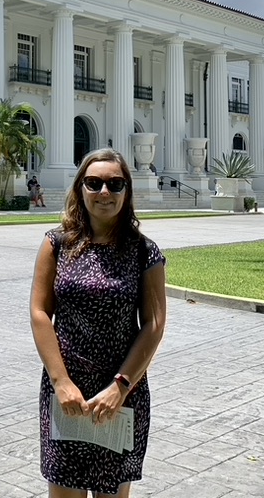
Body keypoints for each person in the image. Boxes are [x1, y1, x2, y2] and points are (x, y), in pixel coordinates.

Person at [29, 148, 167, 497]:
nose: (104, 192)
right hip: (66, 392)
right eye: (94, 183)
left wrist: (120, 387)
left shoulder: (143, 251)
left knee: (112, 492)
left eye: (114, 184)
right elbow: (40, 312)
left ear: (126, 191)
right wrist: (61, 382)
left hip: (121, 392)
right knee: (64, 489)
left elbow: (154, 324)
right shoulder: (57, 244)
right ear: (80, 189)